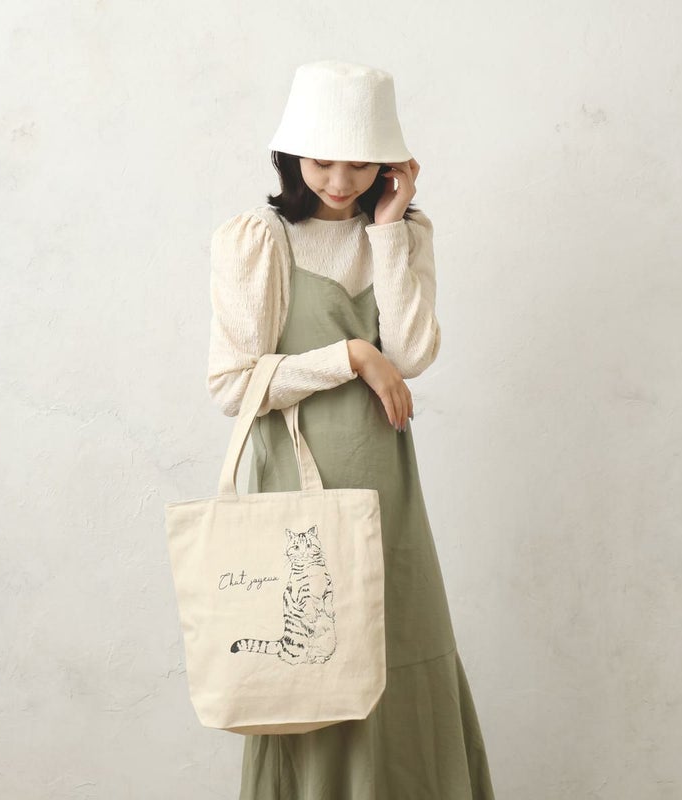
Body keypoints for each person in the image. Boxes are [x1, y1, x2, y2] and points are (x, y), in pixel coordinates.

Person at [207, 60, 495, 800]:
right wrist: (351, 356)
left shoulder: (401, 234)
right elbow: (234, 384)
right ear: (291, 157)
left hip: (387, 488)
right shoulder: (261, 239)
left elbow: (414, 353)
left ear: (388, 164)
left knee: (403, 649)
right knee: (313, 666)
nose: (340, 180)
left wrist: (390, 229)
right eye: (323, 161)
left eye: (361, 163)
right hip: (298, 491)